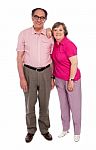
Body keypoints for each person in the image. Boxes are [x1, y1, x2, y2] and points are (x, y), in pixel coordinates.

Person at [16, 8, 54, 143]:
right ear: (32, 17)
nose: (39, 19)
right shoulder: (24, 34)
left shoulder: (50, 35)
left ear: (45, 20)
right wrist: (22, 78)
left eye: (42, 17)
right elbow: (19, 57)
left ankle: (45, 130)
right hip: (29, 72)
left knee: (45, 103)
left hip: (46, 72)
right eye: (36, 17)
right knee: (29, 104)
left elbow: (53, 57)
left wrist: (52, 77)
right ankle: (31, 130)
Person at [51, 22, 82, 142]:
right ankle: (65, 128)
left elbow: (74, 63)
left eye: (60, 30)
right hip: (59, 79)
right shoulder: (54, 44)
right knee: (63, 106)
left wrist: (71, 80)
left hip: (72, 79)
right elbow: (54, 63)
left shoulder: (69, 45)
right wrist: (53, 78)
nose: (57, 32)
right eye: (55, 30)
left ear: (65, 32)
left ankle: (77, 131)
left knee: (75, 106)